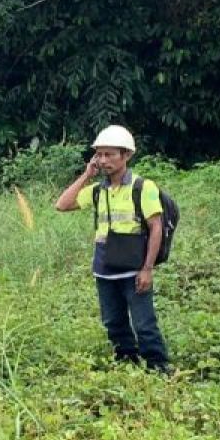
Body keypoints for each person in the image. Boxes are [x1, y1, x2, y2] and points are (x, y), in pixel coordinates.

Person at [55, 126, 171, 373]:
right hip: (104, 270)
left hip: (134, 270)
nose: (103, 160)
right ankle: (127, 365)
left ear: (126, 155)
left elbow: (156, 228)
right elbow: (62, 205)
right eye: (99, 155)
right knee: (114, 323)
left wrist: (147, 269)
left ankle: (159, 369)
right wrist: (86, 175)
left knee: (144, 324)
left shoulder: (143, 187)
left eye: (110, 155)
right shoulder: (98, 190)